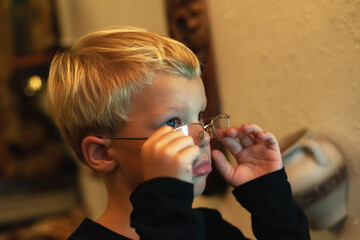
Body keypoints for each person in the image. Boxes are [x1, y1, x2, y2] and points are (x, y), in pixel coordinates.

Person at [46, 26, 310, 240]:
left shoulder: (210, 228)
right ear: (102, 153)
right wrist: (167, 200)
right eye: (172, 123)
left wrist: (268, 199)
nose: (203, 137)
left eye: (199, 116)